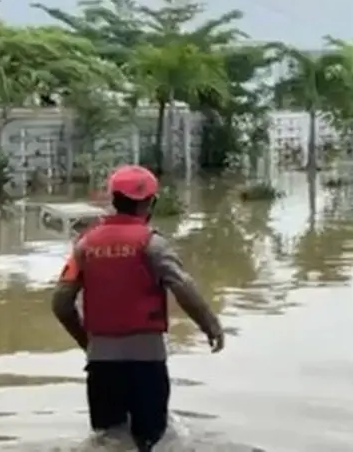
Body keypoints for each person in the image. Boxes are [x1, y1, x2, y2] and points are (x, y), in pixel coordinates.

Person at [51, 164, 225, 452]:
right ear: (149, 202)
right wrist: (211, 325)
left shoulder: (84, 245)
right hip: (147, 361)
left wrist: (88, 342)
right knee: (150, 441)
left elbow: (60, 303)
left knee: (108, 438)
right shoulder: (153, 244)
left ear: (113, 199)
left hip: (102, 364)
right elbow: (183, 286)